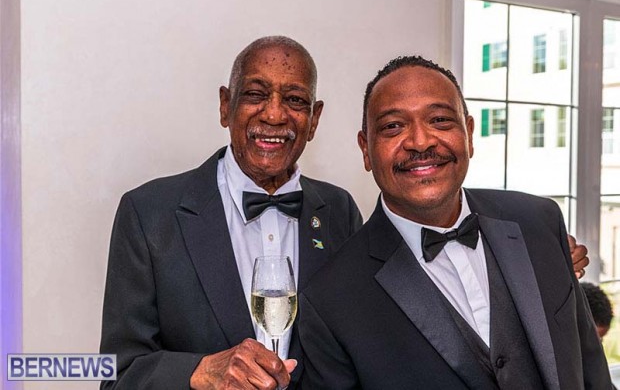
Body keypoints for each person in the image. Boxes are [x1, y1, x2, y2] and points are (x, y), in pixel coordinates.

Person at [298, 55, 612, 389]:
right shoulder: (331, 302)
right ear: (366, 149)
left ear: (469, 134)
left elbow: (592, 374)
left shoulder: (539, 221)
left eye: (440, 120)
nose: (420, 142)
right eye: (393, 126)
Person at [99, 36, 362, 390]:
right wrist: (201, 371)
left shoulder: (340, 212)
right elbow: (118, 375)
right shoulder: (148, 214)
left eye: (295, 100)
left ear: (313, 120)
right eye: (255, 94)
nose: (274, 114)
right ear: (226, 106)